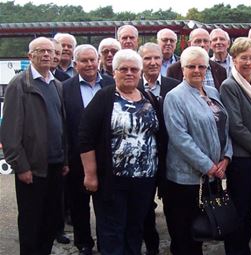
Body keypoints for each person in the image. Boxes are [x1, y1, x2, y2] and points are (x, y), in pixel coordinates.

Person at [79, 49, 162, 255]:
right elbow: (85, 136)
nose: (129, 73)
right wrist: (90, 174)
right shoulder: (104, 98)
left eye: (134, 69)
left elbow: (158, 135)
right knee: (112, 230)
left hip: (144, 180)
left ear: (140, 72)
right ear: (114, 72)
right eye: (123, 69)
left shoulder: (148, 98)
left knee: (135, 228)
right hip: (112, 179)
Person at [1, 37, 69, 254]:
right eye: (41, 51)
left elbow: (62, 125)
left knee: (51, 219)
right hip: (32, 168)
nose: (47, 55)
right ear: (30, 56)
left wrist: (65, 159)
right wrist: (21, 166)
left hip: (56, 165)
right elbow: (10, 131)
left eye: (50, 51)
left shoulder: (57, 85)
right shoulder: (20, 84)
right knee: (31, 222)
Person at [163, 46, 232, 255]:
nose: (196, 70)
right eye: (191, 66)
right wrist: (208, 165)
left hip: (212, 175)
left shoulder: (212, 92)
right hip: (186, 178)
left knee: (202, 228)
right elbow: (180, 138)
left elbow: (224, 127)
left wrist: (226, 157)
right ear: (182, 69)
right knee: (184, 232)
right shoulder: (175, 97)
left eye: (201, 66)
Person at [63, 44, 114, 255]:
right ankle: (84, 243)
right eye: (84, 61)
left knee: (107, 205)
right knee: (79, 205)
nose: (90, 64)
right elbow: (63, 126)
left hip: (107, 157)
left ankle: (106, 242)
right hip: (76, 158)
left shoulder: (112, 83)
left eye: (93, 60)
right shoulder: (65, 88)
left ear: (99, 61)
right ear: (76, 65)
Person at [219, 37, 251, 254]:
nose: (248, 62)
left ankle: (242, 247)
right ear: (233, 60)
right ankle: (235, 250)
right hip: (242, 159)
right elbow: (236, 127)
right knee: (240, 209)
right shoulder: (230, 85)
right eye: (243, 58)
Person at [137, 42, 179, 255]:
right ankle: (151, 245)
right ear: (140, 61)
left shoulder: (175, 85)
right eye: (147, 58)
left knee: (172, 205)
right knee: (144, 206)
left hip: (170, 157)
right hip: (142, 159)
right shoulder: (131, 86)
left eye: (156, 58)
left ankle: (177, 245)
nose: (153, 62)